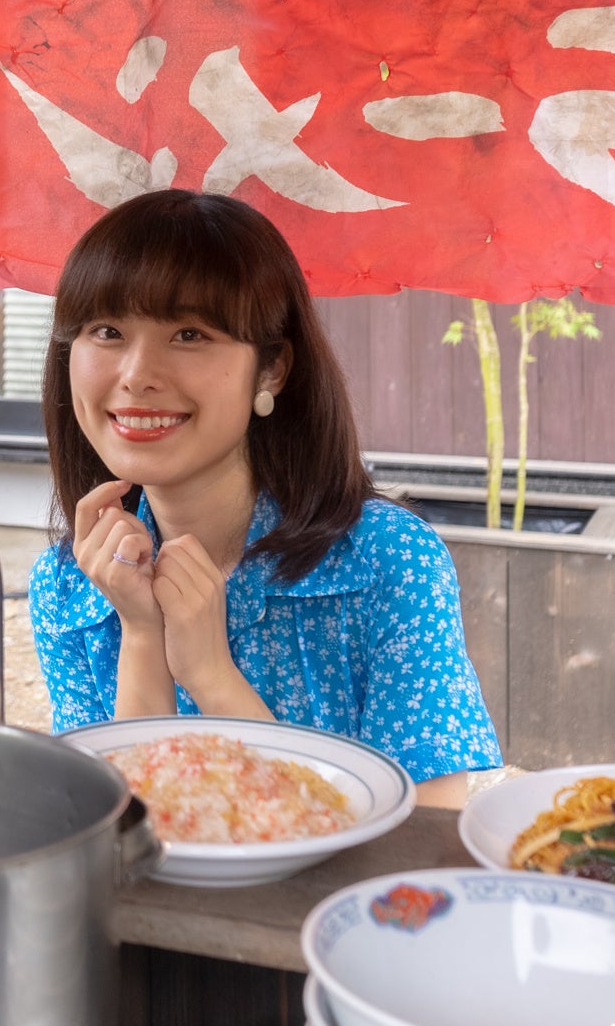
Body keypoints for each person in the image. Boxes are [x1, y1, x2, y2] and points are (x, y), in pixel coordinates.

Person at [28, 190, 501, 807]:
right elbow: (128, 836)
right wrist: (143, 637)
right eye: (108, 330)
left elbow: (418, 853)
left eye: (190, 334)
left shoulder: (389, 562)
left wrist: (212, 676)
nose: (137, 373)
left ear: (271, 372)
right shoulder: (69, 585)